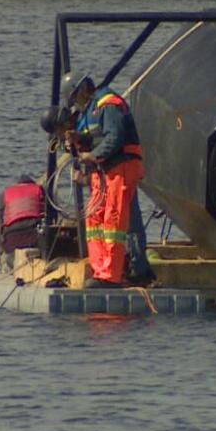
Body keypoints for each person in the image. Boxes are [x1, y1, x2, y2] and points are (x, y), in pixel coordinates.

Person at [63, 72, 148, 288]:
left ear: (83, 90)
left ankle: (112, 275)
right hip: (106, 171)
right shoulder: (89, 111)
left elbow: (114, 137)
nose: (76, 104)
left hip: (121, 168)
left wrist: (92, 156)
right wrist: (78, 140)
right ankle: (101, 270)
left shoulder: (108, 104)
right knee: (95, 218)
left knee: (114, 220)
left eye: (75, 98)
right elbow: (96, 138)